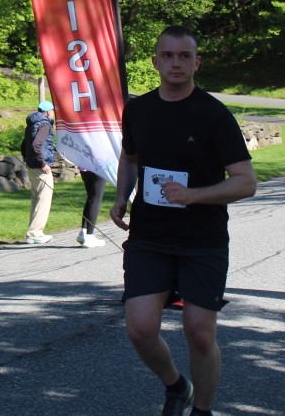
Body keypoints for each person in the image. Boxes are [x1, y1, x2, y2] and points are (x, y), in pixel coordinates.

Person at [110, 26, 256, 416]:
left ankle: (202, 410)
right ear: (155, 61)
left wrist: (194, 195)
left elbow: (246, 182)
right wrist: (121, 196)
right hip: (149, 237)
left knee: (199, 332)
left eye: (184, 56)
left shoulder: (213, 114)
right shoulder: (138, 109)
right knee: (140, 329)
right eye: (168, 55)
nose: (176, 63)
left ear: (196, 62)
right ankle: (177, 386)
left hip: (202, 241)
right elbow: (130, 158)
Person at [21, 100, 56, 244]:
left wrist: (26, 157)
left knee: (36, 198)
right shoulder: (45, 124)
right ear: (48, 112)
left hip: (31, 165)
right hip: (41, 167)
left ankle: (32, 233)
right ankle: (35, 233)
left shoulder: (32, 123)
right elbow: (37, 144)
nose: (53, 113)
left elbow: (24, 144)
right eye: (53, 111)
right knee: (44, 200)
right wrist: (43, 163)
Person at [76, 170, 107, 248]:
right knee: (95, 200)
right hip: (98, 168)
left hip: (85, 168)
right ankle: (89, 236)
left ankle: (83, 232)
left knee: (91, 198)